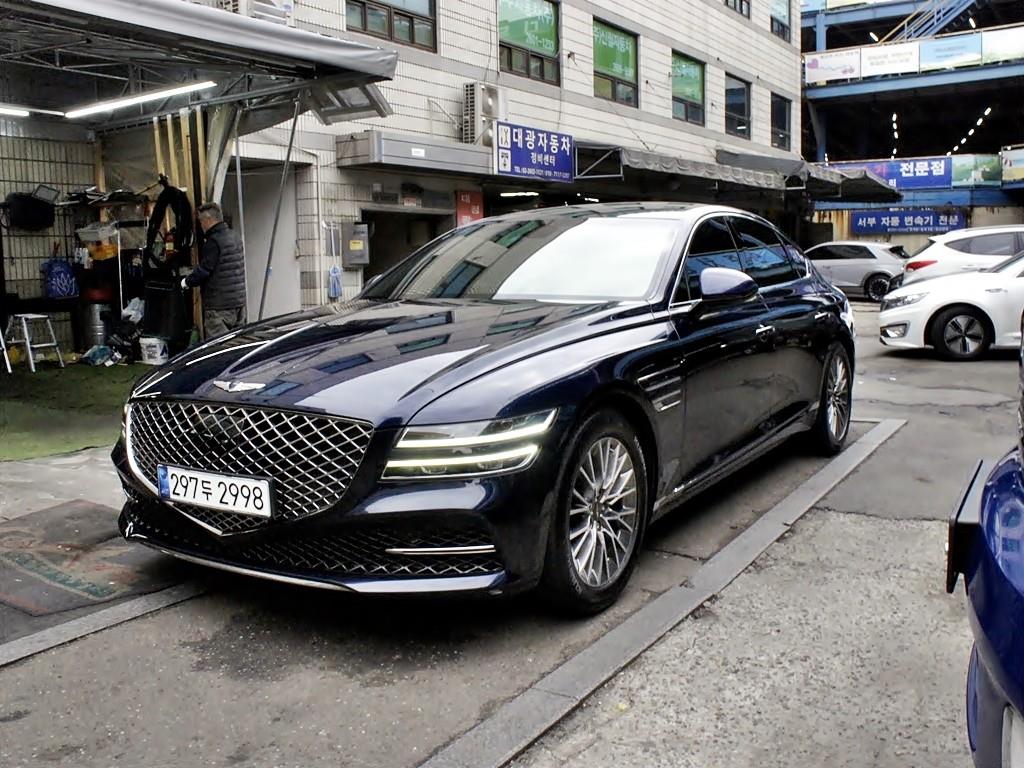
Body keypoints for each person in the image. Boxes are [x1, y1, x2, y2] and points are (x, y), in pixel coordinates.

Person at [181, 202, 246, 337]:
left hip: (219, 306)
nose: (201, 225)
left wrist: (186, 282)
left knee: (218, 345)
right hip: (238, 302)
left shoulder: (214, 241)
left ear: (208, 219)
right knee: (238, 343)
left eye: (201, 221)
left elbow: (205, 270)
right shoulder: (235, 236)